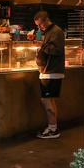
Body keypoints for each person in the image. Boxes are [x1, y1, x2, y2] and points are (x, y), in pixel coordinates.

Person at [27, 11, 65, 139]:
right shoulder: (49, 32)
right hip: (48, 72)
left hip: (51, 72)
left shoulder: (56, 31)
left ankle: (53, 129)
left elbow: (57, 50)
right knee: (50, 101)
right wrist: (40, 44)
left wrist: (42, 46)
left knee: (46, 101)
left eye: (40, 25)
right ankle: (52, 127)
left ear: (45, 21)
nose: (39, 28)